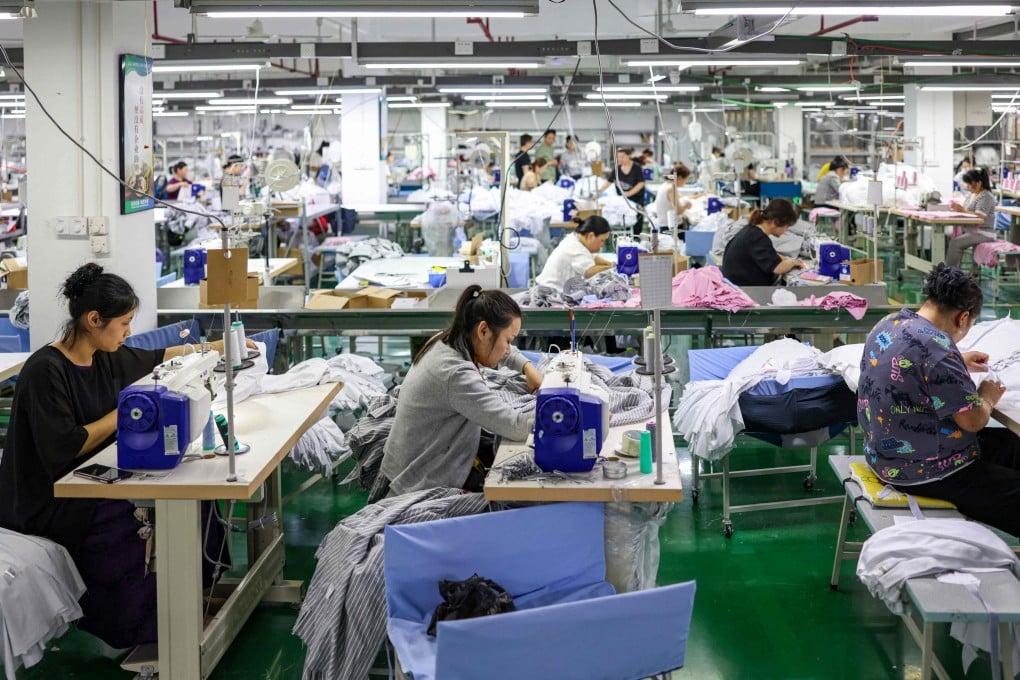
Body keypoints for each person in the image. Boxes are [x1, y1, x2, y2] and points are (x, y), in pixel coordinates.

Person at [0, 263, 252, 648]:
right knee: (136, 520)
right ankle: (143, 630)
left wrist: (216, 348)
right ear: (93, 319)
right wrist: (120, 416)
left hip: (89, 477)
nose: (128, 332)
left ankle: (188, 601)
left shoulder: (105, 355)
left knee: (197, 501)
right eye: (124, 323)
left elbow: (157, 357)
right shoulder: (45, 372)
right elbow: (64, 447)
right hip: (50, 499)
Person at [857, 263, 1020, 536]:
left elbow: (911, 363)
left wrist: (958, 361)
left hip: (884, 455)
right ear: (963, 317)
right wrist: (987, 396)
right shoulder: (939, 350)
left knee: (1011, 445)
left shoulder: (889, 323)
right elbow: (973, 421)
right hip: (926, 472)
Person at [380, 285, 542, 497]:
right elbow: (515, 425)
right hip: (422, 478)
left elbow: (503, 350)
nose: (508, 349)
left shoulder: (445, 338)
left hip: (414, 458)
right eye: (509, 341)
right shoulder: (456, 374)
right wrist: (560, 411)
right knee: (521, 493)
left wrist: (527, 367)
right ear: (483, 330)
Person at [721, 198, 804, 287]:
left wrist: (782, 258)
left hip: (739, 287)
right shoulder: (758, 238)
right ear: (775, 222)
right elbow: (778, 268)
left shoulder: (751, 230)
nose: (786, 230)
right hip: (748, 291)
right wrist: (794, 262)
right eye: (786, 226)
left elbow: (765, 255)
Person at [535, 215, 614, 289]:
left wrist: (611, 264)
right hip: (549, 291)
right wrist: (613, 269)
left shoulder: (576, 240)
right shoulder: (573, 246)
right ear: (591, 236)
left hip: (553, 289)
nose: (602, 245)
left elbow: (593, 257)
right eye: (602, 240)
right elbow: (590, 271)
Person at [946, 167, 997, 267]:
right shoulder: (971, 195)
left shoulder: (986, 196)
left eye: (970, 183)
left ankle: (949, 275)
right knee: (948, 237)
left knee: (955, 243)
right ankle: (948, 268)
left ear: (979, 183)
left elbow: (980, 215)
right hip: (972, 230)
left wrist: (962, 210)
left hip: (983, 233)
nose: (968, 186)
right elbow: (966, 210)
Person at [598, 148, 646, 235]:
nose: (620, 159)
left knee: (637, 219)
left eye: (622, 157)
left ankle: (636, 237)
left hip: (636, 199)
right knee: (624, 218)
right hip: (623, 200)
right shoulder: (617, 169)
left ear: (629, 156)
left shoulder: (636, 168)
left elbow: (640, 184)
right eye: (618, 157)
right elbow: (609, 182)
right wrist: (599, 192)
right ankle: (625, 235)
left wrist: (628, 193)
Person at [654, 163, 700, 229]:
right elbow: (678, 211)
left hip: (664, 225)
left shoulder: (666, 185)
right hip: (670, 227)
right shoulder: (671, 188)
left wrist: (700, 195)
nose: (686, 182)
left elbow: (682, 197)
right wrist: (686, 206)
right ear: (680, 178)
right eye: (686, 179)